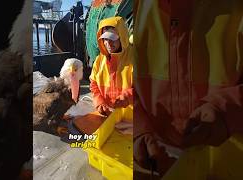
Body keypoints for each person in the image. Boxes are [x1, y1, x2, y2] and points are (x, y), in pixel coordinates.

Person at [133, 0, 243, 177]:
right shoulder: (141, 5)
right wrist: (138, 128)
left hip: (226, 158)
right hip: (154, 161)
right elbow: (130, 82)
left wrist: (226, 110)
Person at [89, 16, 134, 118]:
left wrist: (127, 97)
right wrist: (99, 102)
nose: (108, 43)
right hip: (106, 114)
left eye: (112, 38)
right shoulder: (99, 60)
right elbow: (93, 84)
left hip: (130, 115)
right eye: (105, 38)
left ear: (122, 37)